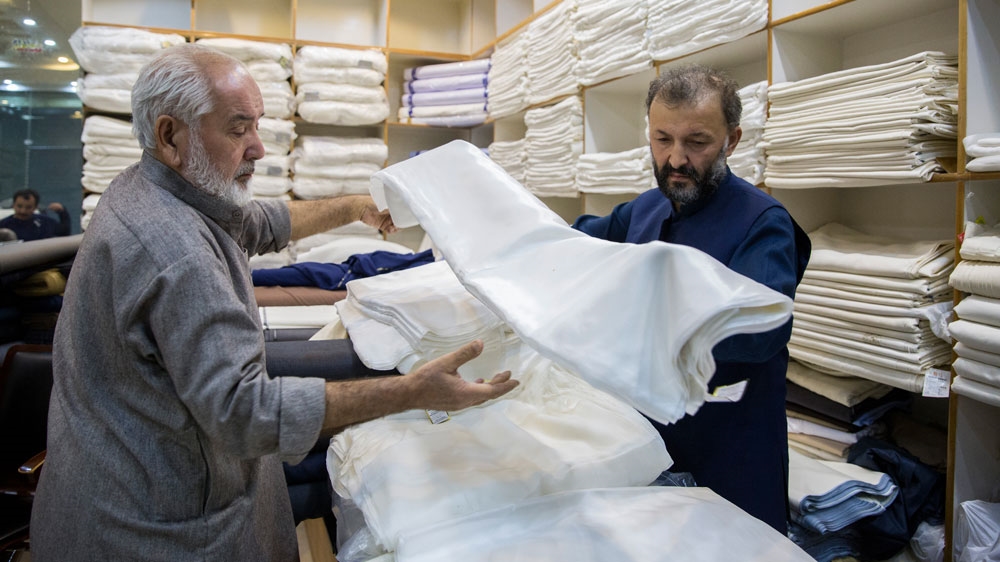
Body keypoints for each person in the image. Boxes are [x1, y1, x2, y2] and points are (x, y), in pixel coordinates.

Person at [30, 43, 518, 561]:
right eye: (238, 130)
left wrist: (357, 208)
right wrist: (413, 391)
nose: (259, 148)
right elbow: (247, 412)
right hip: (151, 531)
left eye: (258, 126)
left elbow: (260, 222)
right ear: (170, 135)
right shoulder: (174, 252)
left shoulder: (157, 188)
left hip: (116, 475)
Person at [573, 64, 810, 534]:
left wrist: (647, 320)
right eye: (662, 139)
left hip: (729, 449)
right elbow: (575, 247)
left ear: (732, 140)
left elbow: (760, 331)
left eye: (696, 142)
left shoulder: (762, 222)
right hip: (644, 442)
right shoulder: (645, 208)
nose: (675, 158)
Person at [0, 189, 71, 241]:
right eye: (19, 206)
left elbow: (64, 233)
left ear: (35, 207)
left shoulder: (44, 223)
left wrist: (62, 212)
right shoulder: (3, 225)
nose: (23, 211)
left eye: (28, 207)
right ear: (13, 205)